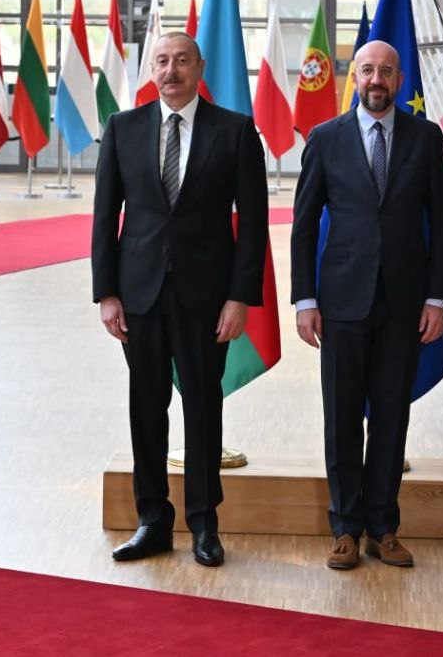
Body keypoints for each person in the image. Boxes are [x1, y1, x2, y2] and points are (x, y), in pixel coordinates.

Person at [92, 31, 268, 567]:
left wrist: (240, 298)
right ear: (151, 69)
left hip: (206, 298)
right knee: (146, 408)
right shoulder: (123, 129)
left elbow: (254, 223)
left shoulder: (235, 131)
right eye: (162, 62)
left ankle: (204, 523)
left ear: (200, 68)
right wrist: (106, 293)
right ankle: (152, 520)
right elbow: (105, 217)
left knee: (202, 407)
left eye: (182, 61)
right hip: (139, 294)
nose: (171, 71)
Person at [290, 39, 443, 571]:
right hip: (339, 302)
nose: (377, 79)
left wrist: (437, 298)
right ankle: (345, 528)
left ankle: (384, 526)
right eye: (367, 71)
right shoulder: (324, 138)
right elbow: (303, 225)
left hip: (405, 303)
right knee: (340, 417)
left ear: (399, 79)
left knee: (390, 416)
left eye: (386, 70)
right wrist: (305, 299)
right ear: (353, 78)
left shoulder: (426, 138)